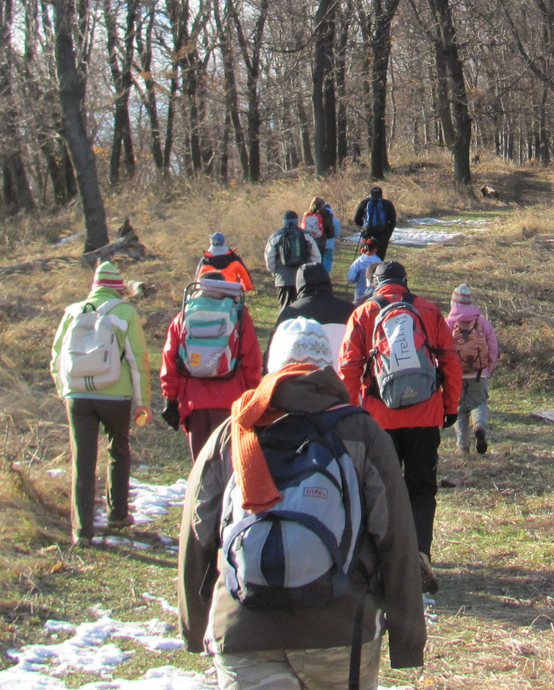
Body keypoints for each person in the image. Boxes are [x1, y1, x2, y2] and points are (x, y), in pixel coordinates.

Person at [178, 318, 426, 690]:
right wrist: (407, 641)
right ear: (328, 369)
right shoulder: (360, 431)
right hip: (341, 632)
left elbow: (197, 536)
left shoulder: (233, 430)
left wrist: (195, 627)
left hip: (243, 631)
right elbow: (396, 539)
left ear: (271, 367)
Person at [337, 260, 461, 584]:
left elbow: (349, 368)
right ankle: (420, 554)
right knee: (421, 489)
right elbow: (449, 359)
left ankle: (385, 560)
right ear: (405, 282)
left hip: (380, 420)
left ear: (374, 285)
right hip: (426, 414)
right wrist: (450, 407)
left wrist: (349, 415)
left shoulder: (363, 314)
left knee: (381, 490)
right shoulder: (428, 310)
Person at [50, 261, 151, 546]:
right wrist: (143, 402)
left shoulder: (72, 312)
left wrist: (65, 391)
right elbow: (138, 359)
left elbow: (56, 355)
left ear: (94, 287)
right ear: (118, 288)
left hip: (77, 395)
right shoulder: (125, 312)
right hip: (115, 395)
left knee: (82, 460)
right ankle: (117, 514)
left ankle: (82, 530)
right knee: (118, 450)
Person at [160, 279, 265, 461]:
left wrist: (170, 398)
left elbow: (170, 360)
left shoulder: (183, 317)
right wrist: (254, 397)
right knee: (229, 469)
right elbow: (251, 361)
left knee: (201, 470)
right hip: (230, 403)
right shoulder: (239, 317)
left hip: (194, 405)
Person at [445, 284, 500, 455]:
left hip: (455, 374)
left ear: (453, 303)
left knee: (459, 408)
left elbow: (442, 349)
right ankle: (479, 426)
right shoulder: (483, 322)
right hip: (479, 372)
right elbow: (493, 348)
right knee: (479, 403)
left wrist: (443, 372)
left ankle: (462, 447)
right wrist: (488, 368)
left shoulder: (449, 323)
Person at [276, 261, 356, 364]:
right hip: (343, 375)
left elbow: (274, 353)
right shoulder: (351, 311)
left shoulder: (290, 313)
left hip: (305, 376)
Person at [265, 209, 318, 308]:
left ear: (284, 222)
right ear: (297, 221)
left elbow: (269, 257)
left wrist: (274, 271)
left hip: (283, 279)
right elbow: (316, 257)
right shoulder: (307, 235)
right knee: (303, 309)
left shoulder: (276, 236)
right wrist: (313, 274)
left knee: (285, 309)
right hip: (304, 280)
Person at [352, 186, 397, 258]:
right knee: (379, 257)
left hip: (367, 233)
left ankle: (366, 268)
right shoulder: (388, 204)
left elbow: (356, 219)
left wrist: (363, 227)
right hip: (383, 234)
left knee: (365, 254)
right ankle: (377, 268)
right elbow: (393, 221)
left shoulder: (364, 203)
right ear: (381, 194)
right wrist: (388, 233)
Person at [302, 197, 341, 272]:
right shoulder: (326, 213)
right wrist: (331, 236)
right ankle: (324, 276)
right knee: (325, 260)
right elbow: (329, 229)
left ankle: (311, 276)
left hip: (309, 240)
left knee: (311, 259)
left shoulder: (307, 214)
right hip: (323, 241)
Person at [346, 237, 383, 304]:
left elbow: (351, 277)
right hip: (374, 295)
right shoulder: (378, 262)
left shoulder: (359, 261)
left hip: (359, 293)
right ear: (375, 250)